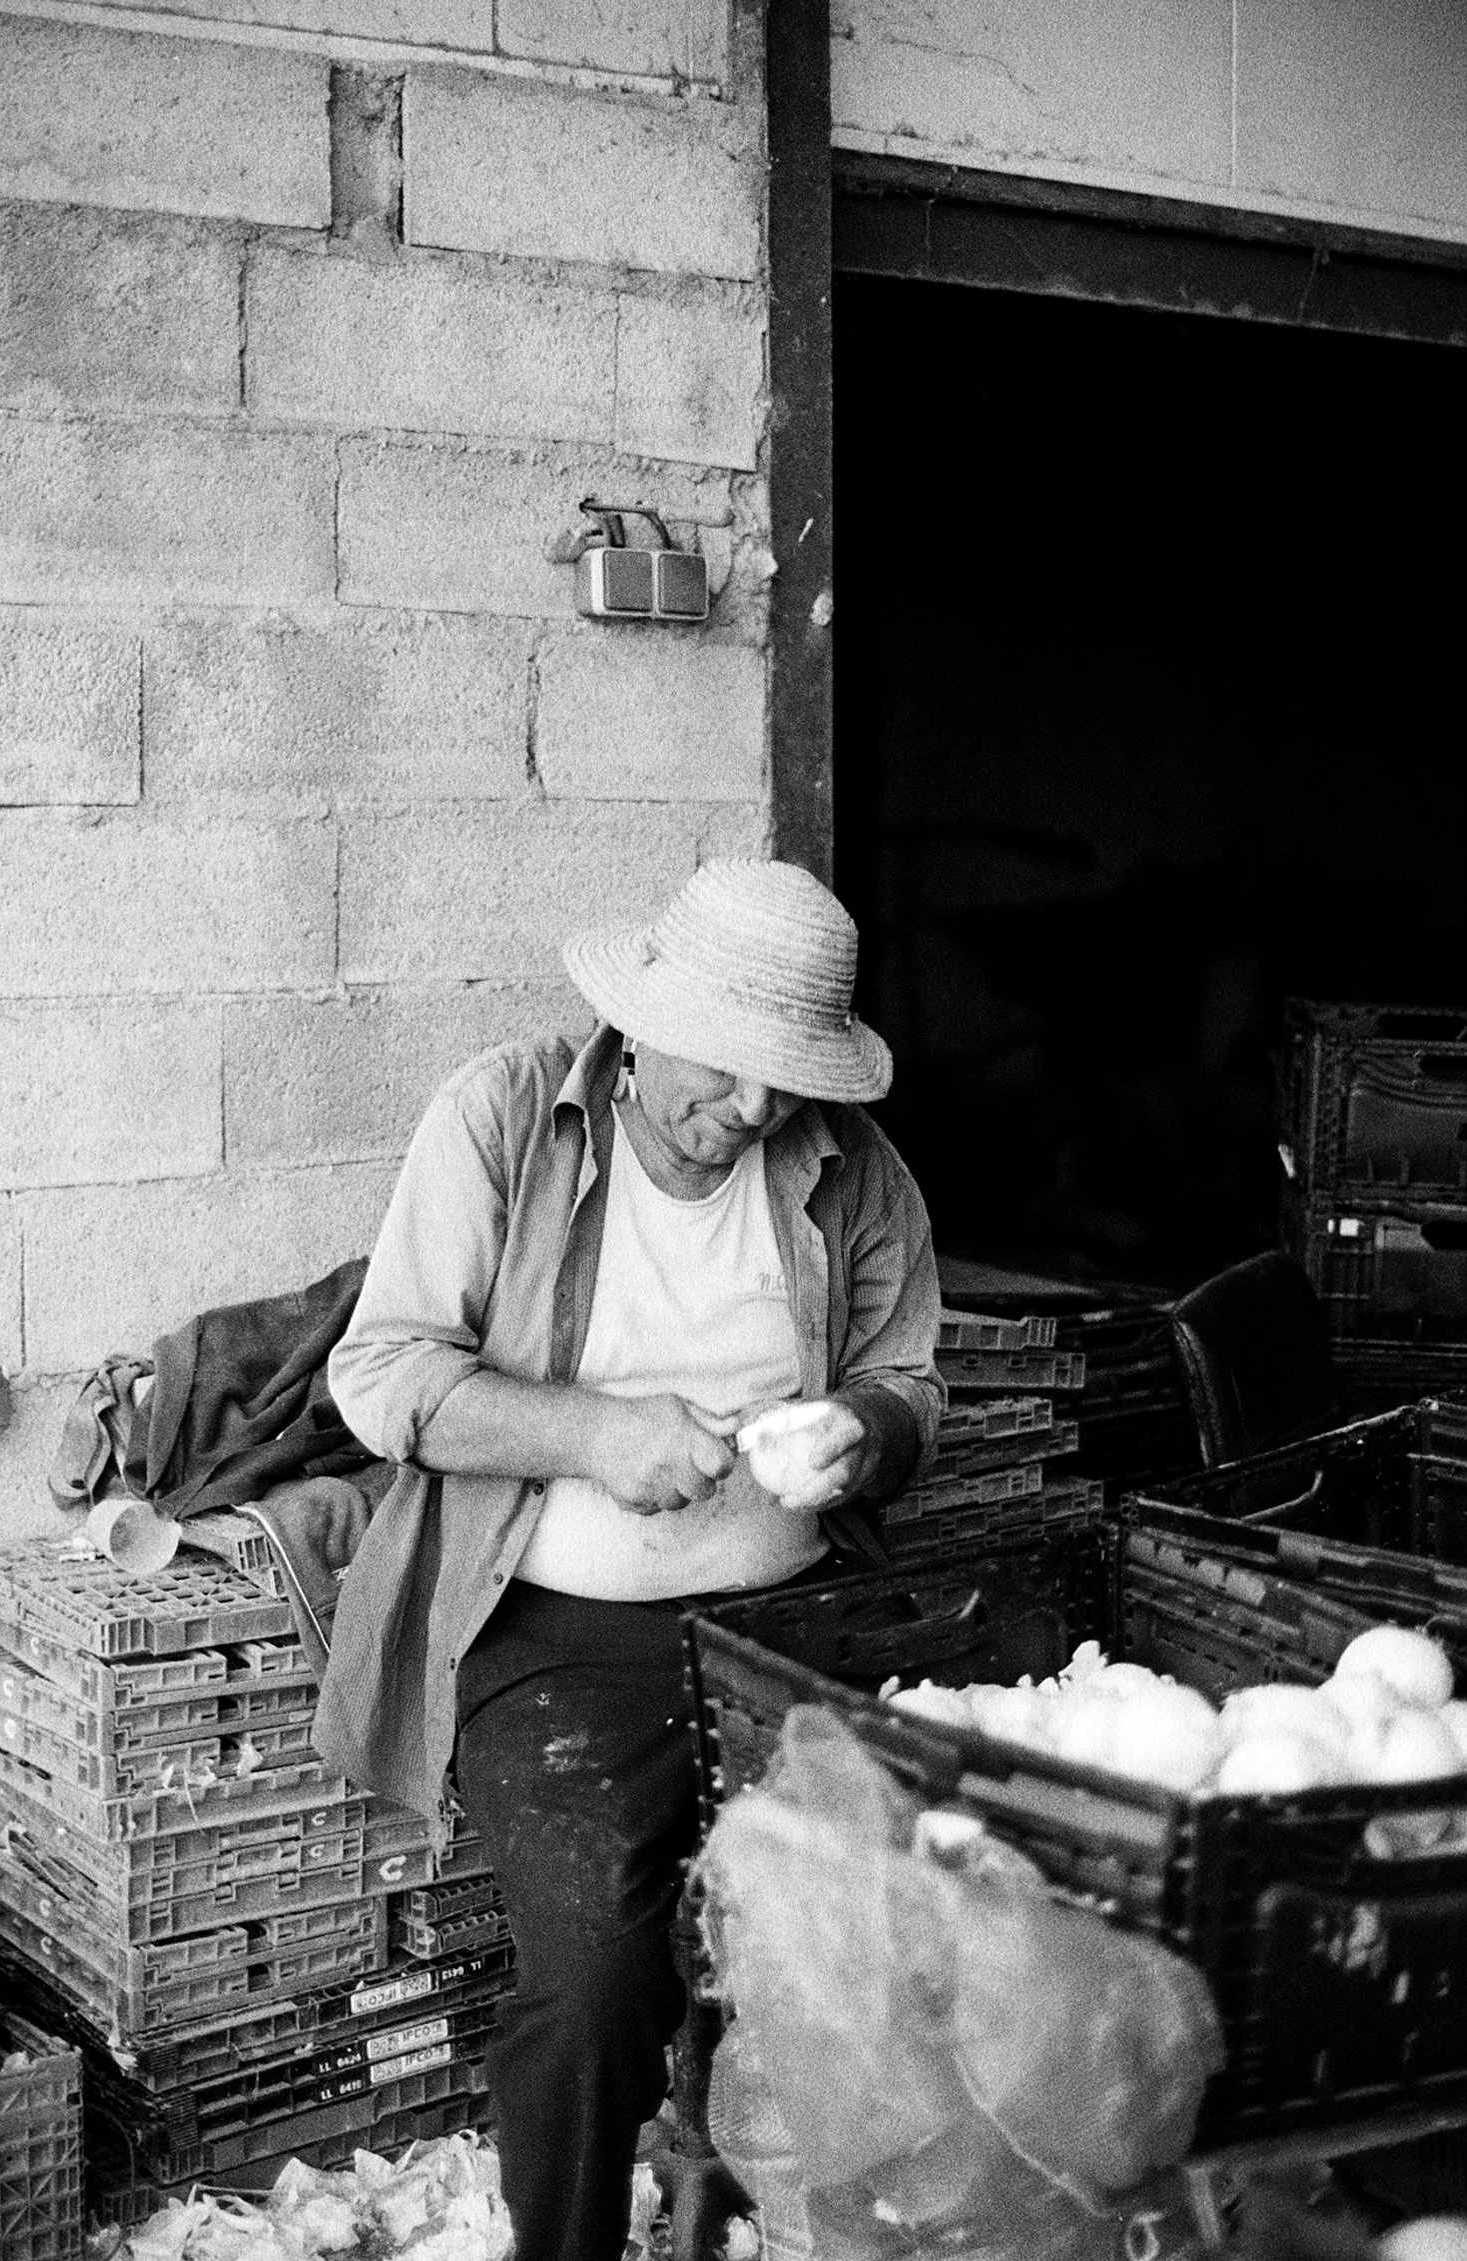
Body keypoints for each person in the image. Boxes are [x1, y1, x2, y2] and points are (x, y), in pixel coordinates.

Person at [318, 858, 943, 2261]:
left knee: (862, 1937)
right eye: (728, 1074)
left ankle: (795, 2220)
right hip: (554, 1636)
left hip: (786, 1628)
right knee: (597, 1978)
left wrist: (866, 1432)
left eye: (787, 1080)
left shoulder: (853, 1168)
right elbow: (385, 1376)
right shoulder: (500, 1119)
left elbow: (914, 1376)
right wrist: (594, 1435)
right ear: (644, 1019)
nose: (759, 1109)